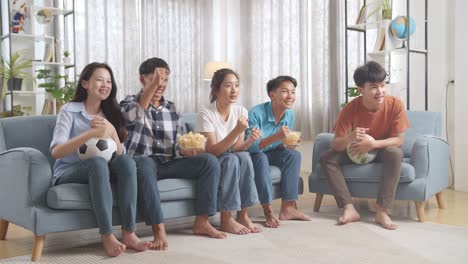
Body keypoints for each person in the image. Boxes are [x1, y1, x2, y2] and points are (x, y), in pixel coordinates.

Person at [50, 62, 152, 257]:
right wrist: (90, 134)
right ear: (86, 84)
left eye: (108, 81)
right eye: (99, 80)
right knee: (97, 162)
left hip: (102, 170)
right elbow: (56, 152)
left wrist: (112, 130)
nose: (105, 84)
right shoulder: (69, 110)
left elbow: (121, 155)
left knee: (127, 162)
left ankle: (129, 232)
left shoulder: (111, 112)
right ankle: (106, 235)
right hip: (69, 171)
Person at [120, 57, 226, 239]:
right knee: (145, 164)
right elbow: (136, 115)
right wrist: (152, 85)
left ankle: (202, 222)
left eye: (165, 80)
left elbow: (177, 143)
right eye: (155, 78)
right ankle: (158, 229)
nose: (161, 84)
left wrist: (185, 151)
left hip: (168, 163)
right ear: (142, 79)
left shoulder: (172, 108)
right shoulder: (128, 103)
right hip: (142, 162)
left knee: (209, 161)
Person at [319, 61, 409, 230]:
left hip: (382, 148)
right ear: (361, 90)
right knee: (327, 158)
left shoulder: (395, 104)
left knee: (395, 153)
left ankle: (382, 211)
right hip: (356, 149)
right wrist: (349, 138)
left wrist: (373, 144)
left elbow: (398, 140)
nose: (380, 91)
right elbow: (336, 144)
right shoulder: (349, 110)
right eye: (374, 87)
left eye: (383, 85)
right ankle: (349, 208)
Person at [197, 68, 261, 235]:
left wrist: (249, 141)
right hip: (213, 161)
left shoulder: (240, 111)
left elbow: (237, 147)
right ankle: (225, 219)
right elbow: (212, 151)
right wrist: (235, 130)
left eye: (237, 85)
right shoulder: (206, 114)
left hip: (230, 156)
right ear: (216, 90)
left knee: (245, 157)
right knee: (231, 159)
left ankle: (242, 215)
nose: (234, 90)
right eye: (228, 86)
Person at [246, 75, 311, 228]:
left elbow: (281, 144)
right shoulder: (255, 113)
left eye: (293, 92)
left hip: (273, 151)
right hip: (253, 154)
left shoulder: (289, 114)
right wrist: (277, 136)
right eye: (285, 91)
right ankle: (268, 210)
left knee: (293, 155)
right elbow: (252, 147)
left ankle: (288, 208)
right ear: (272, 94)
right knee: (261, 158)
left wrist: (289, 143)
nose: (290, 96)